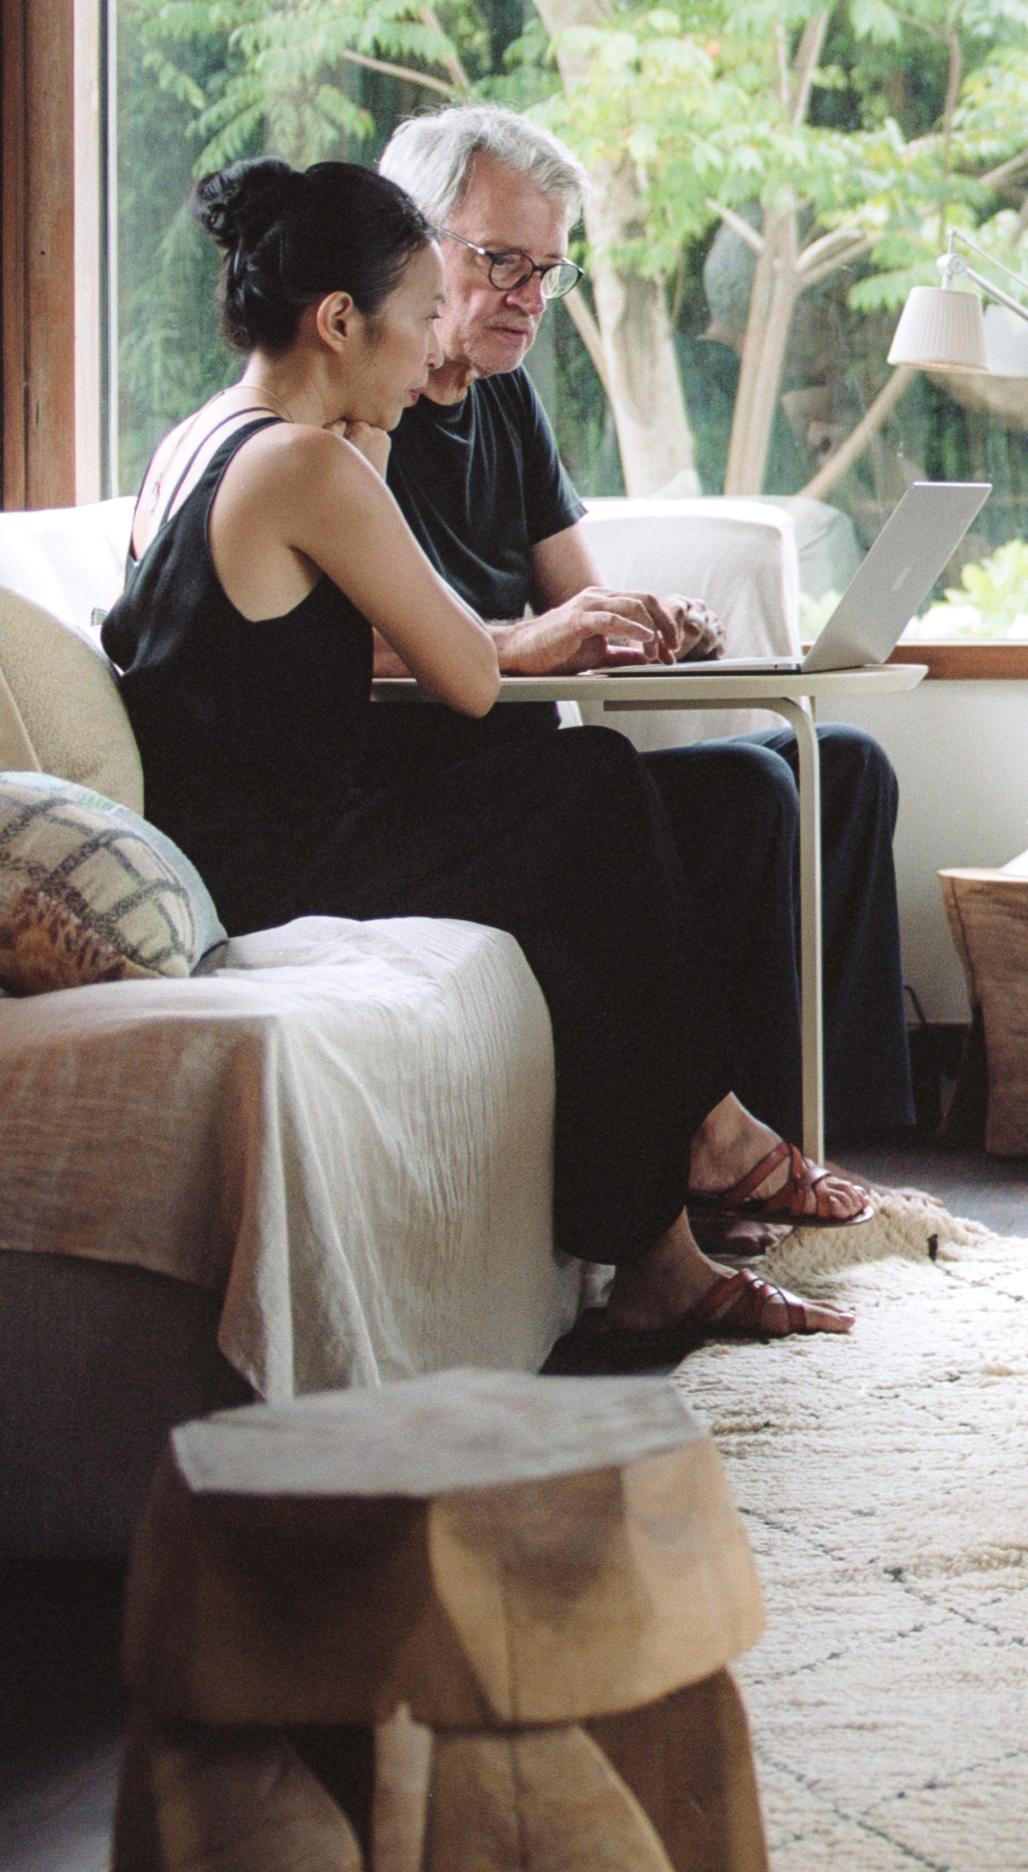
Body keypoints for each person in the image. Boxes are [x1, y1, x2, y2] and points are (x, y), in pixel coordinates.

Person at [103, 157, 851, 1364]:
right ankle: (683, 1187)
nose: (427, 354)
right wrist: (371, 454)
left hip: (233, 842)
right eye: (412, 321)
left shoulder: (191, 443)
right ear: (338, 322)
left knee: (572, 824)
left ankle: (671, 1208)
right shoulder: (308, 464)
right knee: (590, 787)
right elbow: (468, 673)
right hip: (278, 865)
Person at [369, 103, 924, 1169]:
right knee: (751, 794)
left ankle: (834, 1144)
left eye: (548, 271)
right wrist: (538, 640)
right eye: (500, 262)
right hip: (445, 792)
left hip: (545, 768)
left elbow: (583, 605)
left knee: (847, 766)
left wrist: (646, 624)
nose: (528, 299)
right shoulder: (349, 423)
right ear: (410, 241)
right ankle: (744, 1164)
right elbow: (355, 648)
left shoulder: (506, 400)